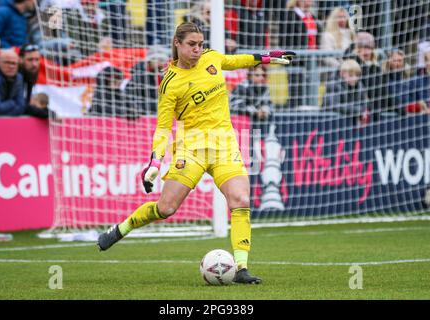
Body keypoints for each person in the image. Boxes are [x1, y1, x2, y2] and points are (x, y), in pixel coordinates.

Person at [97, 22, 295, 284]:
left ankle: (241, 268)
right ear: (177, 43)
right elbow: (163, 127)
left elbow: (235, 61)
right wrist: (155, 161)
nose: (198, 49)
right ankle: (122, 228)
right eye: (192, 44)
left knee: (240, 200)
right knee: (166, 208)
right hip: (191, 148)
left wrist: (265, 57)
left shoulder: (211, 58)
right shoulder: (170, 82)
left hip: (225, 144)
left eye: (200, 44)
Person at [124, 45, 170, 115]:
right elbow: (129, 99)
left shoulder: (163, 74)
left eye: (163, 60)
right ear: (149, 60)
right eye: (159, 60)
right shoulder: (139, 76)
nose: (161, 63)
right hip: (145, 114)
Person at [323, 59, 369, 126]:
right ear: (341, 73)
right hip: (330, 124)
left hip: (351, 125)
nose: (354, 78)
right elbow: (333, 106)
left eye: (357, 75)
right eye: (351, 75)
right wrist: (359, 111)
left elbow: (365, 104)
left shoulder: (360, 85)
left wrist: (364, 111)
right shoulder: (333, 85)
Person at [0, 49, 25, 116]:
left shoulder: (19, 77)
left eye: (14, 63)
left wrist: (6, 115)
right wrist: (12, 102)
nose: (11, 66)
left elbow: (21, 107)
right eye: (7, 62)